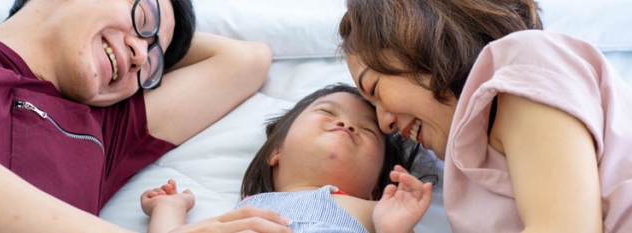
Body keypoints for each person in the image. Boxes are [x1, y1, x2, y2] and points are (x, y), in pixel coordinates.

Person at [0, 0, 292, 231]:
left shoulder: (103, 135)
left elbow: (247, 60)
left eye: (153, 62)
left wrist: (138, 31)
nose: (142, 55)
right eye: (144, 18)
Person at [338, 0, 632, 232]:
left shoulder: (522, 61)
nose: (384, 123)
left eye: (374, 88)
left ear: (415, 42)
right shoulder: (467, 177)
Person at [140, 84, 435, 233]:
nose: (346, 125)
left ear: (374, 187)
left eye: (367, 130)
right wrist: (169, 208)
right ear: (275, 151)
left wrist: (397, 227)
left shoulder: (372, 210)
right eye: (327, 112)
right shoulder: (242, 211)